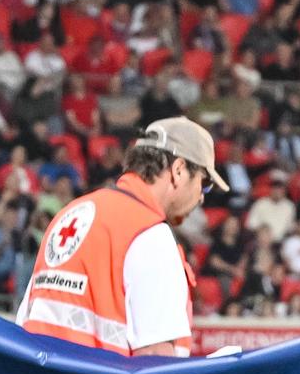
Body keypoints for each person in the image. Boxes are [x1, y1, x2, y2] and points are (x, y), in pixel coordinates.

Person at [14, 117, 223, 358]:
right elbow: (155, 359)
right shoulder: (150, 235)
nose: (202, 197)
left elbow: (27, 322)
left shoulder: (70, 214)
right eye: (204, 183)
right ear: (178, 170)